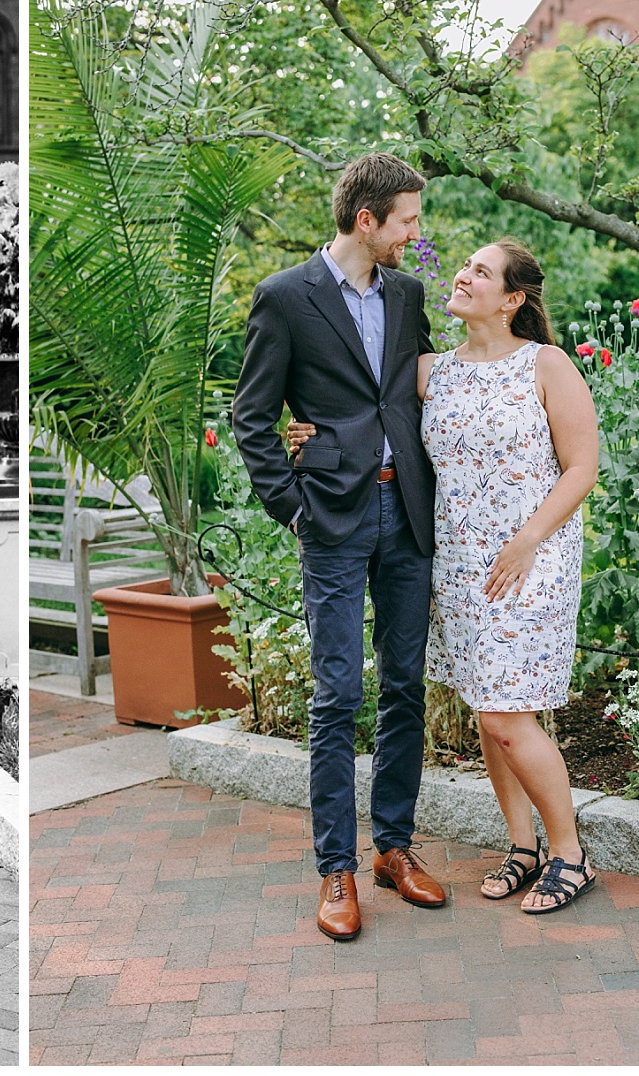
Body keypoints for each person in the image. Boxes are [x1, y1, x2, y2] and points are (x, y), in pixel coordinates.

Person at [232, 153, 443, 943]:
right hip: (332, 520)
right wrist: (293, 509)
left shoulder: (410, 293)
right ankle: (336, 868)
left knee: (404, 686)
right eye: (408, 221)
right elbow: (252, 415)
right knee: (335, 696)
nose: (416, 234)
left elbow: (419, 388)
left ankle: (393, 848)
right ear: (368, 220)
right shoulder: (286, 297)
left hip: (407, 515)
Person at [419, 240, 599, 912]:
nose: (464, 275)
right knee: (491, 707)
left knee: (503, 712)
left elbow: (582, 465)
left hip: (531, 560)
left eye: (482, 272)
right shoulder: (432, 371)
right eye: (465, 265)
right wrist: (307, 432)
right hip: (460, 566)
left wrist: (525, 541)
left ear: (514, 298)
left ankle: (570, 853)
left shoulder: (545, 364)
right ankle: (522, 846)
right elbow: (361, 414)